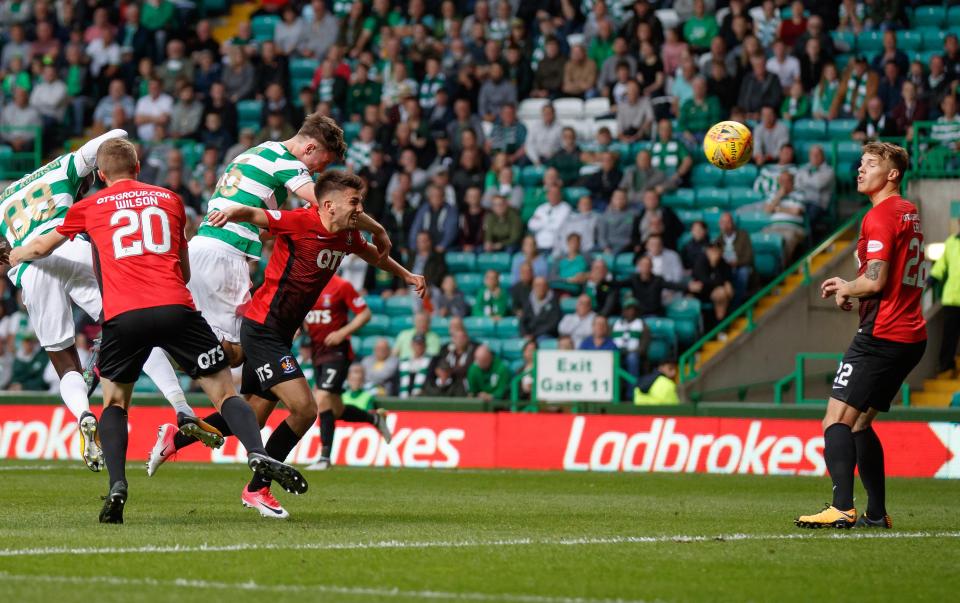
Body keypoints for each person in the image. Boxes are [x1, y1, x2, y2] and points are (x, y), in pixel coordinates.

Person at [8, 138, 304, 524]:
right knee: (223, 391)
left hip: (123, 316)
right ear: (139, 165)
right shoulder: (170, 199)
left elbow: (42, 247)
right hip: (175, 307)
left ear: (100, 175)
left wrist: (14, 254)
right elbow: (183, 267)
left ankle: (118, 485)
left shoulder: (89, 206)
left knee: (115, 402)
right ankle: (255, 450)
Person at [162, 170, 425, 518]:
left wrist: (406, 274)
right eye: (355, 202)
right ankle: (257, 489)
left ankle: (176, 437)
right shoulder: (300, 221)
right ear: (328, 205)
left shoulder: (347, 236)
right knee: (305, 409)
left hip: (281, 332)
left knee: (251, 416)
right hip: (263, 327)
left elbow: (374, 256)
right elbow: (258, 215)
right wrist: (229, 212)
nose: (360, 208)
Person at [0, 129, 195, 473]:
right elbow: (118, 134)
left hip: (28, 268)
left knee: (64, 362)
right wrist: (96, 157)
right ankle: (181, 407)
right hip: (68, 248)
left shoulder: (3, 201)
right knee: (137, 328)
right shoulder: (65, 167)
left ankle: (83, 414)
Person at [187, 113, 389, 370]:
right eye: (321, 163)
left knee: (230, 356)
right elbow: (333, 208)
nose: (318, 172)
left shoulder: (260, 150)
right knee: (237, 353)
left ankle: (175, 348)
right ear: (310, 148)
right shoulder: (290, 164)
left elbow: (266, 219)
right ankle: (169, 343)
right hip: (225, 252)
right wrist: (379, 230)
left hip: (204, 246)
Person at [797, 142, 926, 530]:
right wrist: (850, 289)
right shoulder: (908, 212)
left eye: (871, 164)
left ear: (892, 175)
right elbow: (879, 279)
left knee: (834, 420)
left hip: (881, 334)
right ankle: (875, 513)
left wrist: (850, 286)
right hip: (910, 334)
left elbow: (876, 280)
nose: (860, 169)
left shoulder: (881, 216)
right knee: (860, 424)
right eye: (860, 163)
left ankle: (841, 507)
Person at [303, 275, 391, 471]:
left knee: (322, 397)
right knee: (336, 409)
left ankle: (324, 458)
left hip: (338, 353)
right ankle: (375, 419)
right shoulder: (307, 284)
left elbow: (365, 314)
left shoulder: (341, 285)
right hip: (318, 353)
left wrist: (343, 333)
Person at [931, 224, 960, 376]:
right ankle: (946, 365)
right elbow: (941, 264)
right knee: (949, 335)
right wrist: (931, 279)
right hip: (951, 299)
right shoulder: (951, 242)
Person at [689, 242, 735, 327]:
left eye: (717, 250)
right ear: (707, 251)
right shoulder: (701, 261)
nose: (715, 253)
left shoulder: (722, 262)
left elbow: (727, 275)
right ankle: (716, 326)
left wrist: (726, 282)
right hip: (700, 292)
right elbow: (704, 281)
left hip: (715, 290)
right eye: (712, 250)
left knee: (723, 292)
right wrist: (723, 283)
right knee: (721, 291)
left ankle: (722, 324)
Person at [612, 299, 649, 378]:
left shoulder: (642, 325)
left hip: (634, 353)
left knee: (632, 358)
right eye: (628, 309)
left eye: (634, 309)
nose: (631, 312)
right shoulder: (615, 324)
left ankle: (632, 389)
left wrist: (629, 351)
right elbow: (609, 341)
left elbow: (643, 347)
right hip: (617, 353)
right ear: (623, 311)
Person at [520, 276, 562, 341]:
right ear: (533, 287)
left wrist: (534, 335)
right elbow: (522, 321)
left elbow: (552, 325)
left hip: (545, 335)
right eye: (537, 285)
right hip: (529, 335)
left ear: (547, 287)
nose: (540, 288)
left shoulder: (554, 302)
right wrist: (525, 334)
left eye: (543, 285)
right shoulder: (528, 301)